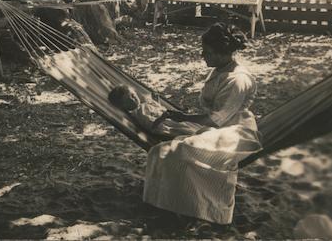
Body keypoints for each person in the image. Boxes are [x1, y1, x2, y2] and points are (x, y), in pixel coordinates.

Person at [143, 23, 262, 225]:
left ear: (222, 53)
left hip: (235, 132)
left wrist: (183, 117)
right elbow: (212, 114)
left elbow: (217, 119)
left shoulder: (238, 79)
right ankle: (168, 202)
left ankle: (197, 208)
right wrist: (183, 117)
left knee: (179, 151)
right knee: (158, 151)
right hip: (217, 127)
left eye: (207, 52)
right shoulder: (220, 69)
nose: (202, 55)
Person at [108, 85, 215, 138]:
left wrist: (156, 101)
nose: (133, 99)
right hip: (166, 127)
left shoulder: (145, 104)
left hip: (171, 120)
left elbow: (157, 108)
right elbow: (151, 126)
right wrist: (162, 118)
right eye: (128, 100)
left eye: (133, 95)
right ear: (123, 106)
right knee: (188, 132)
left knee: (191, 128)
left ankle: (204, 135)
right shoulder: (139, 113)